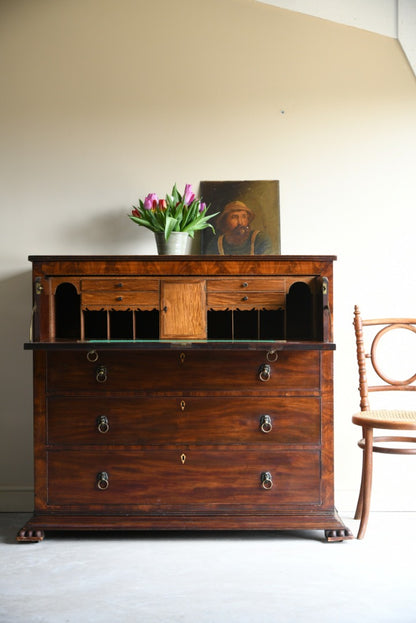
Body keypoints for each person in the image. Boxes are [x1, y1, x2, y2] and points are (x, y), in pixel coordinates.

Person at [205, 200, 272, 255]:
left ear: (248, 220)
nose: (240, 222)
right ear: (225, 221)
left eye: (244, 217)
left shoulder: (259, 239)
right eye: (234, 217)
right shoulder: (216, 244)